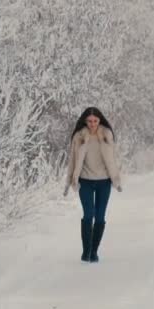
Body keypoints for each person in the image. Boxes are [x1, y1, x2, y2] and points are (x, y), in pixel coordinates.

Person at [63, 107, 122, 263]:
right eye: (89, 121)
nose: (92, 124)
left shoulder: (107, 135)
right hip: (85, 181)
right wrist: (68, 181)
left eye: (95, 121)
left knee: (100, 217)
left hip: (104, 182)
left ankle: (94, 251)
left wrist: (116, 180)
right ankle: (86, 251)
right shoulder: (79, 136)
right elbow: (72, 160)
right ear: (85, 121)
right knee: (89, 215)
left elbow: (112, 160)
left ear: (99, 120)